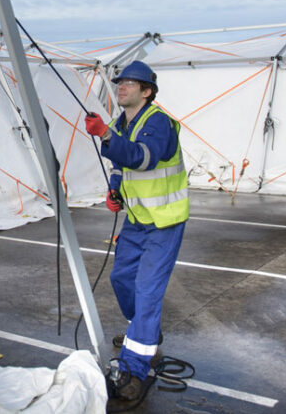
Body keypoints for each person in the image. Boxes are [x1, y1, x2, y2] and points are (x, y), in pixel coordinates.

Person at [84, 60, 189, 402]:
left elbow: (142, 158)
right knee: (122, 279)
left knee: (146, 291)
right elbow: (121, 166)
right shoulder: (122, 123)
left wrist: (104, 135)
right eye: (120, 82)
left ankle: (134, 368)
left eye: (130, 83)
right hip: (137, 219)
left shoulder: (159, 123)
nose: (121, 86)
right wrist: (114, 190)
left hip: (165, 222)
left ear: (147, 91)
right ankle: (146, 333)